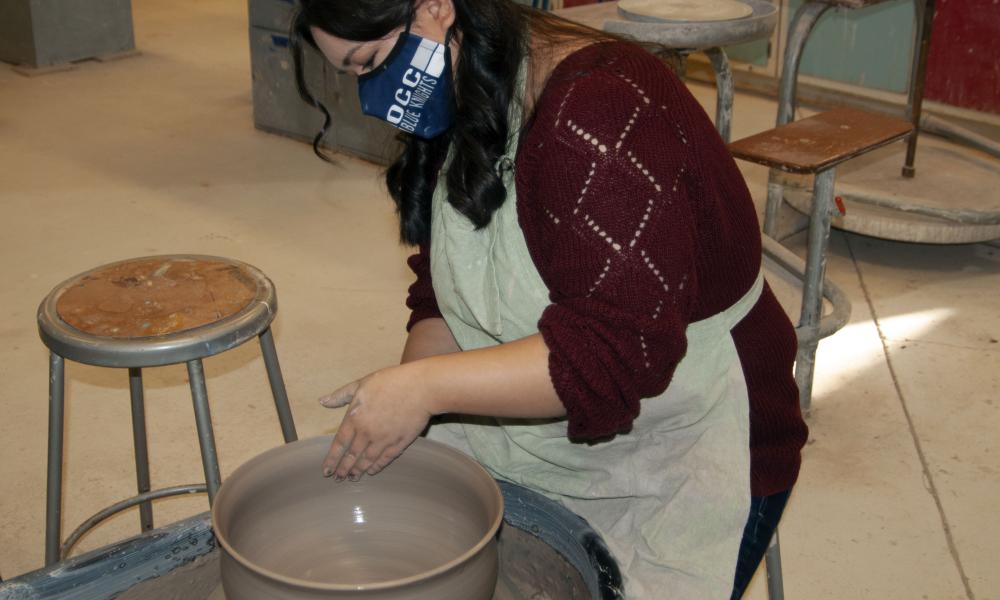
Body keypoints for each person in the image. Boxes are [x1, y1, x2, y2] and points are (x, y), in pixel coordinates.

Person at [292, 0, 807, 597]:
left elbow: (614, 355)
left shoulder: (602, 109)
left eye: (371, 62)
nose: (371, 93)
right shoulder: (466, 78)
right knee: (404, 513)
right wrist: (414, 395)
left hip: (683, 432)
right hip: (554, 399)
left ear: (435, 8)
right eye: (352, 74)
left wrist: (427, 389)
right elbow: (443, 286)